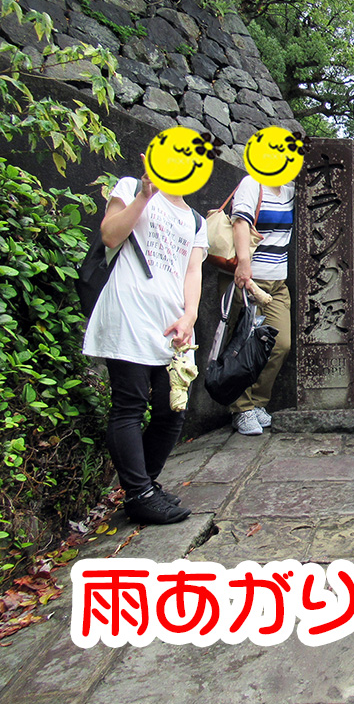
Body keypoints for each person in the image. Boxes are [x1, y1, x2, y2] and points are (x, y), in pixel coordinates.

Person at [82, 163, 207, 524]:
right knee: (130, 405)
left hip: (173, 322)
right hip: (129, 311)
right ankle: (139, 493)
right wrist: (143, 197)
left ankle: (145, 487)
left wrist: (190, 316)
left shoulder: (196, 221)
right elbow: (110, 235)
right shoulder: (131, 188)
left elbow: (193, 271)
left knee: (172, 410)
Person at [230, 175, 295, 435]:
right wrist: (243, 263)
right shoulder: (252, 184)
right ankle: (241, 408)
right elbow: (240, 222)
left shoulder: (290, 192)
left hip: (278, 283)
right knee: (244, 346)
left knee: (280, 344)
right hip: (250, 281)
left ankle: (257, 401)